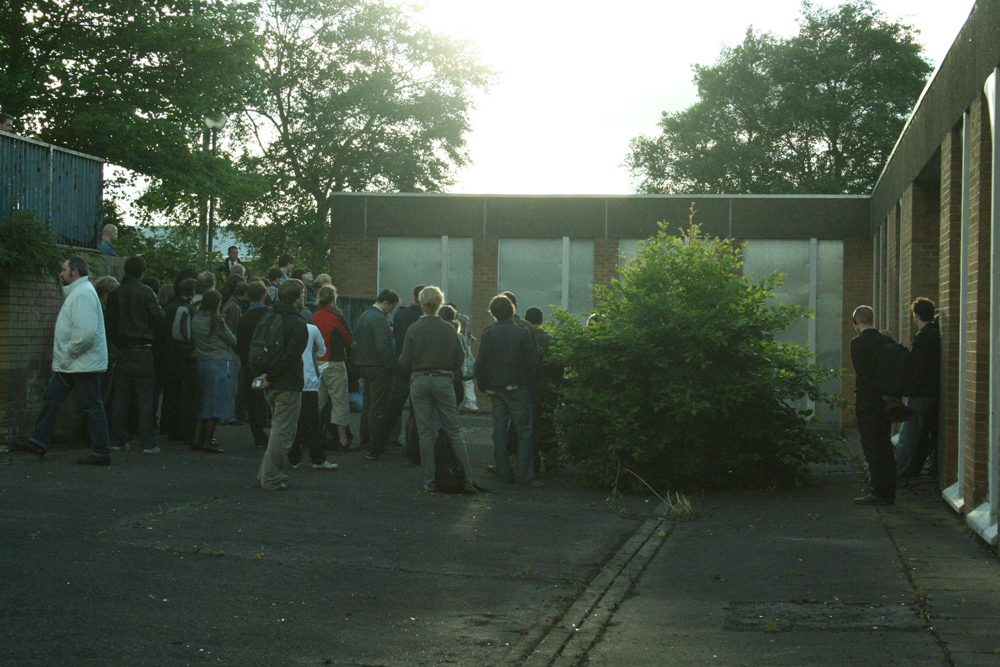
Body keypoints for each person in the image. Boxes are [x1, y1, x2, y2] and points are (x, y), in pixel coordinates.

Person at [13, 257, 114, 465]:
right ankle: (39, 442)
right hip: (75, 364)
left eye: (64, 270)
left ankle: (102, 452)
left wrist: (69, 352)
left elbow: (85, 333)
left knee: (90, 406)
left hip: (80, 364)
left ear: (74, 272)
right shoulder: (81, 293)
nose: (61, 274)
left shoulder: (83, 294)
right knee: (54, 397)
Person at [398, 286, 475, 493]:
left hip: (420, 380)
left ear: (421, 303)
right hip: (443, 380)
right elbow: (459, 359)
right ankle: (467, 479)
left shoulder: (413, 329)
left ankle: (430, 480)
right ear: (440, 303)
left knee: (425, 432)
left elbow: (404, 362)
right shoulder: (449, 329)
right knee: (453, 430)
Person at [475, 295, 541, 487]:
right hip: (519, 388)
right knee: (525, 432)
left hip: (496, 390)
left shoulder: (488, 333)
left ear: (492, 312)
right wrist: (532, 390)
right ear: (512, 310)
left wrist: (484, 386)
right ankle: (524, 476)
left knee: (499, 432)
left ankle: (503, 473)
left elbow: (480, 364)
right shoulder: (522, 332)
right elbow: (530, 364)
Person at [253, 279, 309, 491]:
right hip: (286, 382)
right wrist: (273, 376)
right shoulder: (296, 322)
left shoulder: (269, 316)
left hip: (268, 379)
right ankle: (270, 477)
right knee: (283, 432)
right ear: (297, 297)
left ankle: (266, 472)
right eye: (303, 293)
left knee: (278, 428)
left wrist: (263, 375)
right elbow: (292, 356)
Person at [105, 256, 165, 454]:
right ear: (142, 272)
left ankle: (118, 440)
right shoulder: (146, 292)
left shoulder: (114, 293)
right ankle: (148, 442)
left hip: (121, 350)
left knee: (120, 397)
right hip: (142, 349)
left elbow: (109, 323)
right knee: (145, 397)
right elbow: (159, 316)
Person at [850, 305, 896, 505]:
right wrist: (889, 395)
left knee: (872, 447)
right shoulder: (886, 341)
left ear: (856, 323)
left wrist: (877, 393)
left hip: (868, 402)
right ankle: (889, 491)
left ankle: (877, 491)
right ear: (872, 320)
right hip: (887, 404)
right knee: (885, 445)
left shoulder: (857, 343)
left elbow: (863, 374)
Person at [897, 297, 941, 480]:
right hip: (932, 392)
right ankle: (915, 468)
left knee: (909, 435)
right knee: (923, 435)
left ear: (916, 315)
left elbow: (919, 367)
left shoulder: (924, 337)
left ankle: (900, 472)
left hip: (921, 393)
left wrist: (909, 390)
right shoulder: (935, 334)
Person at [289, 308, 338, 470]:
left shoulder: (287, 328)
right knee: (311, 422)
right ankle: (318, 458)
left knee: (291, 421)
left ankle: (293, 458)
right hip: (308, 380)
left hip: (290, 380)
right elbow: (322, 351)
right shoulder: (312, 329)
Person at [354, 289, 400, 460]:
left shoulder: (364, 315)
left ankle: (365, 440)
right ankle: (376, 444)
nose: (391, 311)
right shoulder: (379, 319)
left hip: (364, 364)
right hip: (379, 367)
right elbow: (382, 346)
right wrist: (391, 365)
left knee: (368, 405)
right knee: (377, 406)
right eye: (391, 307)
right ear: (386, 303)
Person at [191, 290, 237, 453]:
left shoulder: (196, 318)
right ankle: (208, 441)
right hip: (217, 363)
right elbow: (232, 340)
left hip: (202, 362)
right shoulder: (216, 321)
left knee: (203, 402)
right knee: (215, 404)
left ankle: (197, 438)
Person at [384, 285, 424, 462]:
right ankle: (412, 447)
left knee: (393, 408)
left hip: (401, 366)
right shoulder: (424, 319)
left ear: (413, 296)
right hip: (420, 369)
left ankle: (382, 443)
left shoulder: (400, 315)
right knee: (417, 412)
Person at [313, 284, 354, 450]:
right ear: (334, 298)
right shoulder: (336, 316)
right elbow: (349, 338)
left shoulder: (315, 316)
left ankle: (313, 437)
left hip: (317, 362)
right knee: (339, 402)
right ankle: (342, 439)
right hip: (334, 361)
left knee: (318, 402)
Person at [235, 282, 271, 449]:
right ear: (264, 296)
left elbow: (239, 344)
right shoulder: (269, 315)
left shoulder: (244, 317)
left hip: (249, 365)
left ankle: (259, 435)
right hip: (267, 364)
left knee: (254, 399)